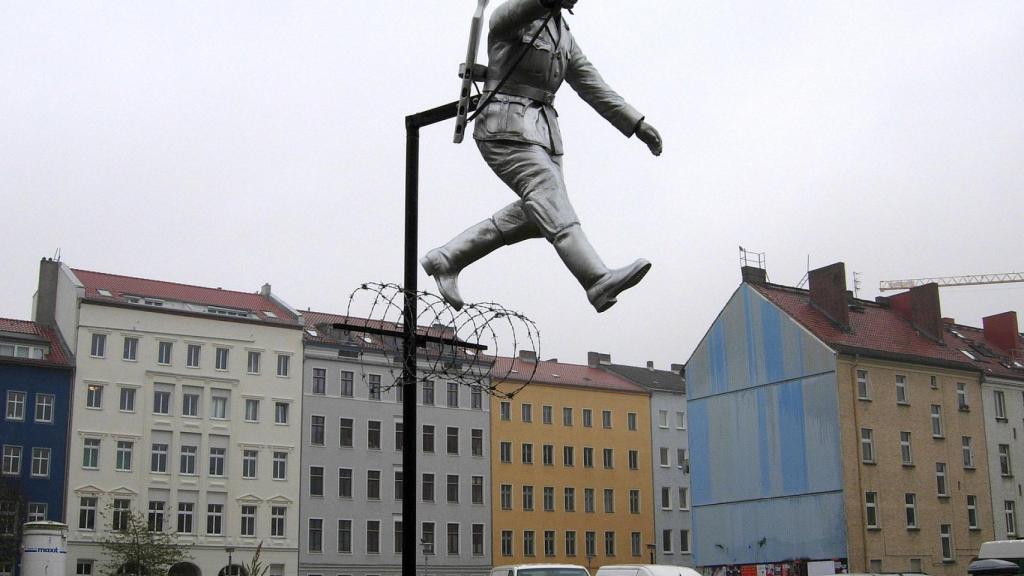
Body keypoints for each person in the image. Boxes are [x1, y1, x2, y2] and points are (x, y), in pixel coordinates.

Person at [422, 0, 663, 313]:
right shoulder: (518, 13)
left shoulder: (563, 34)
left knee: (539, 215)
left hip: (543, 134)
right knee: (549, 199)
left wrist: (636, 123)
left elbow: (592, 85)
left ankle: (449, 257)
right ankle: (596, 278)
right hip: (504, 125)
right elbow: (506, 16)